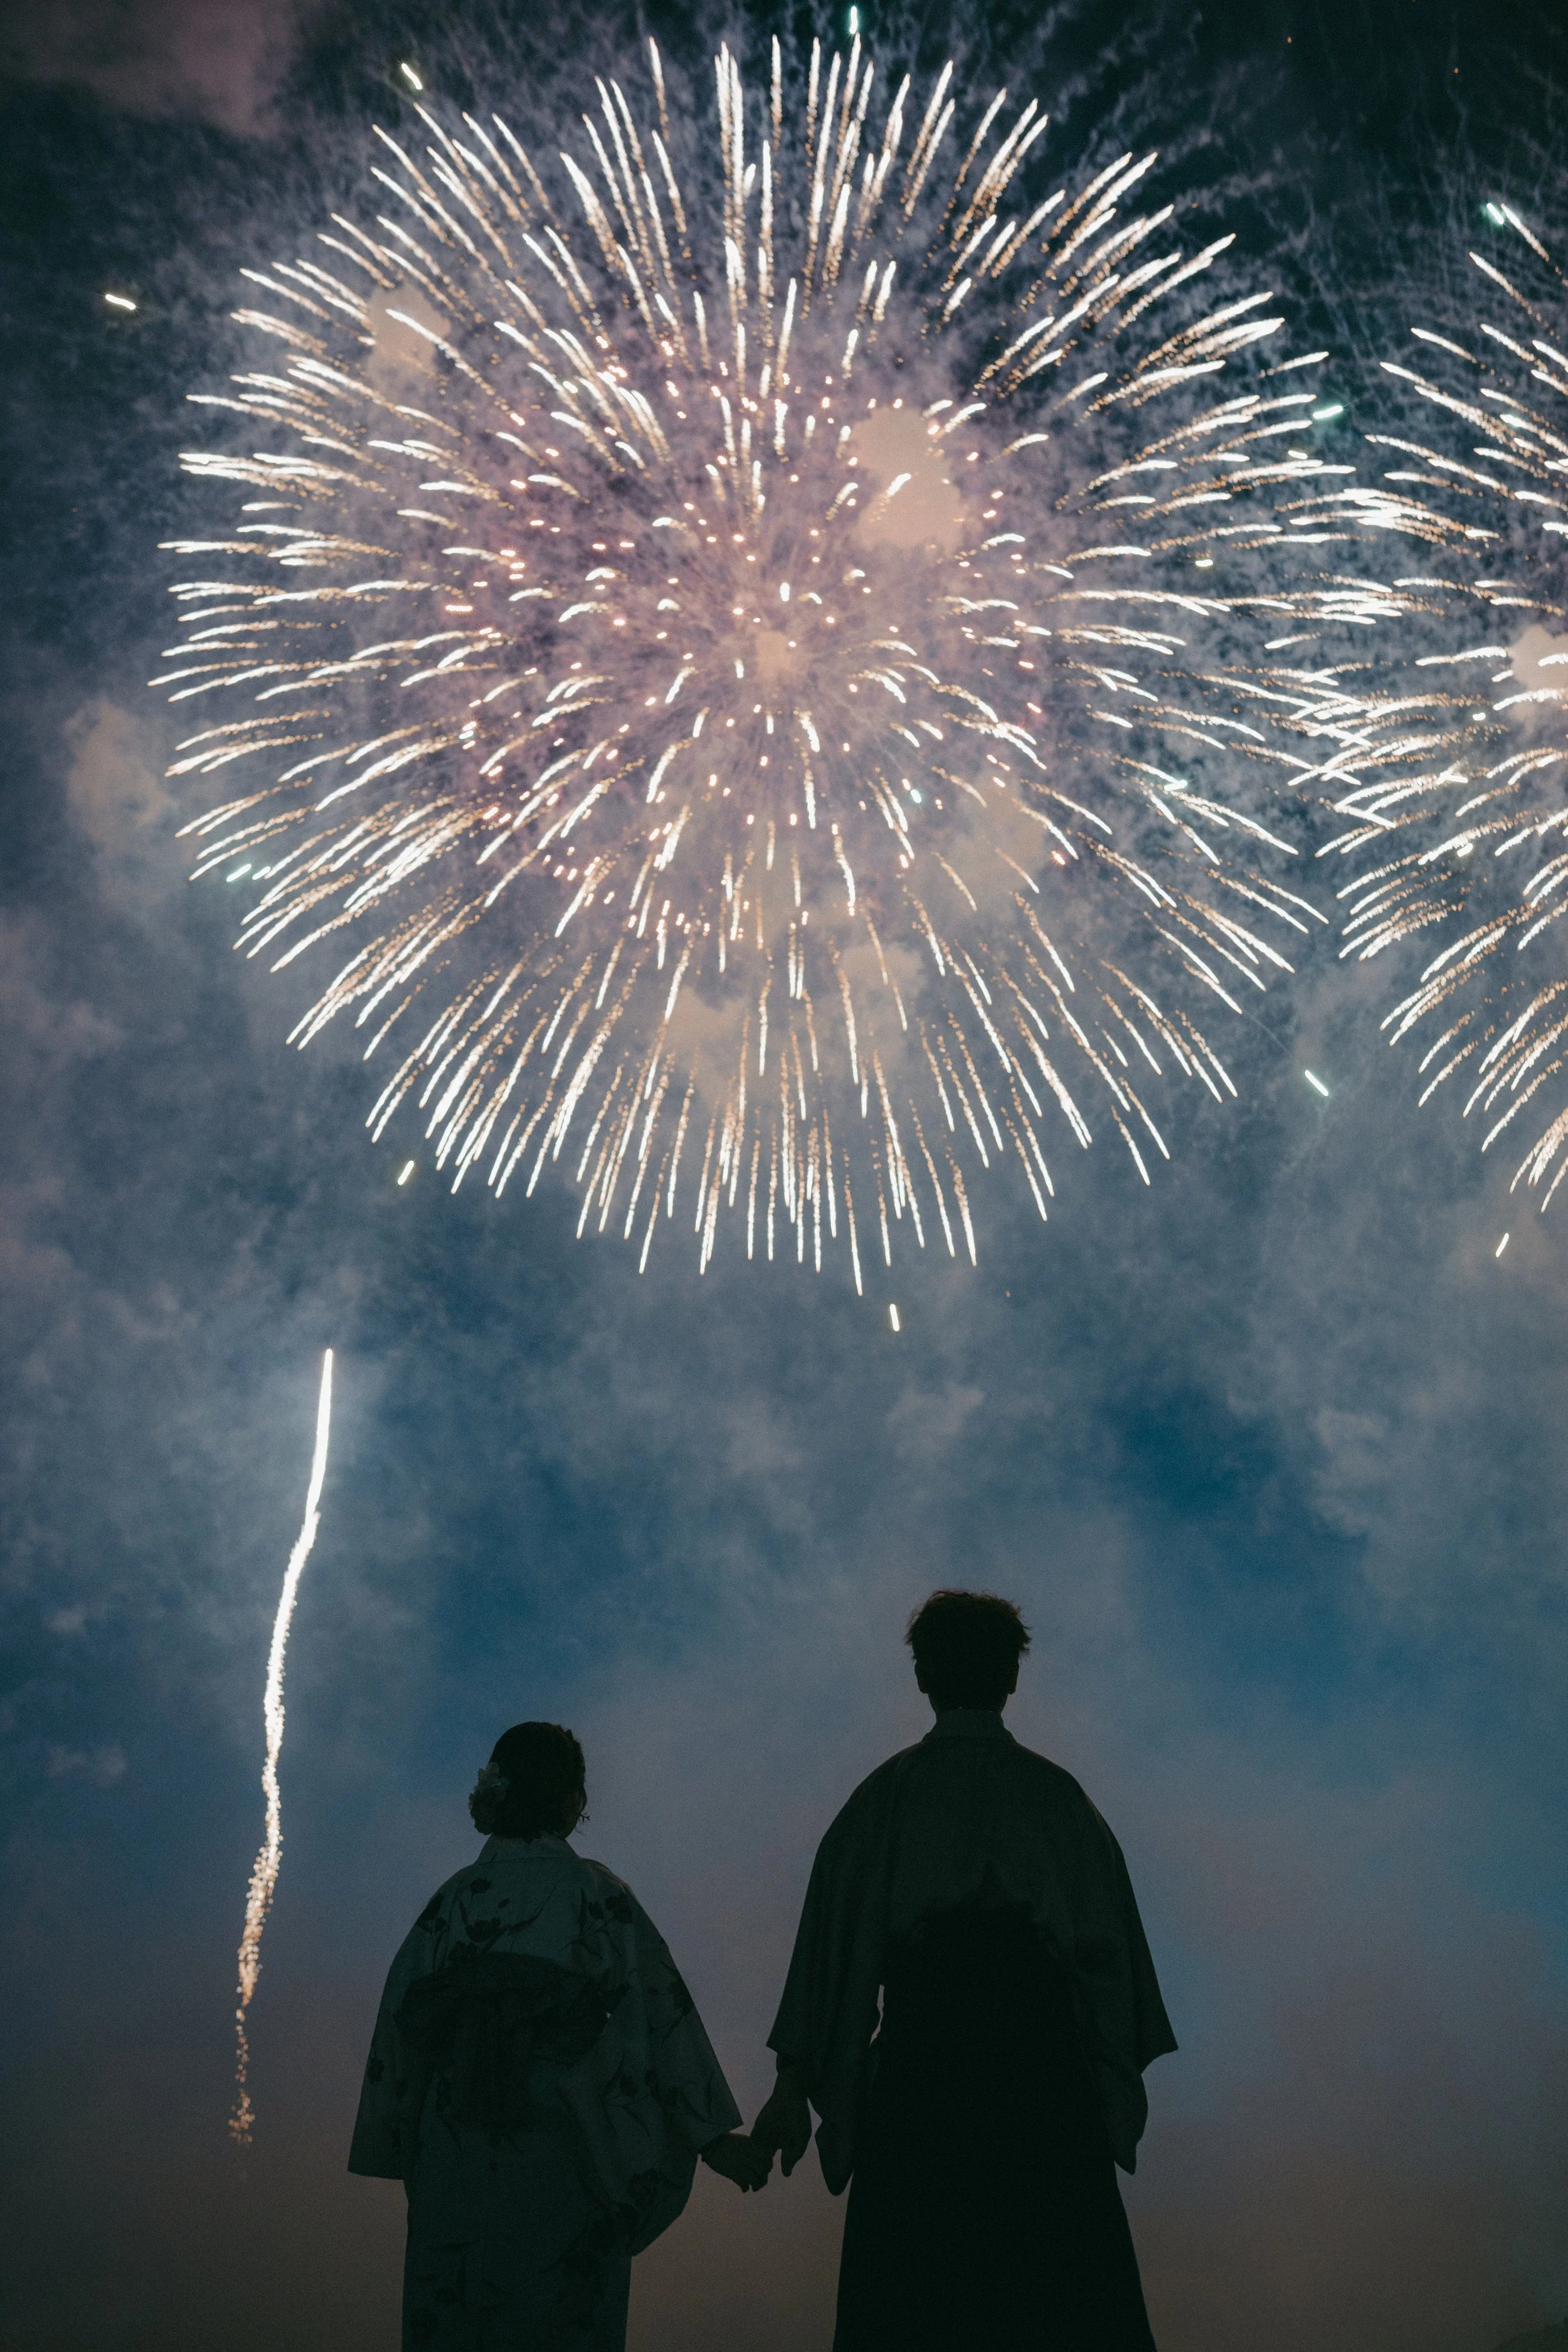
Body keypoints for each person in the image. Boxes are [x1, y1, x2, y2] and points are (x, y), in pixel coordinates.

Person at [750, 1591, 1175, 2351]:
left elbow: (831, 1957)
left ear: (922, 1677)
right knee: (1060, 2305)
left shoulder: (886, 1798)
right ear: (1011, 1679)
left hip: (927, 2079)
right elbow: (1113, 1973)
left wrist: (792, 2087)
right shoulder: (1058, 1801)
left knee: (919, 2307)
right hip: (1042, 2084)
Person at [349, 1720, 768, 2351]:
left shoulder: (454, 1904)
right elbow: (661, 2018)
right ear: (572, 1803)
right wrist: (712, 2139)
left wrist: (397, 2134)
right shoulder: (598, 1899)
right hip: (567, 2149)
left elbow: (399, 2035)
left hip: (457, 2152)